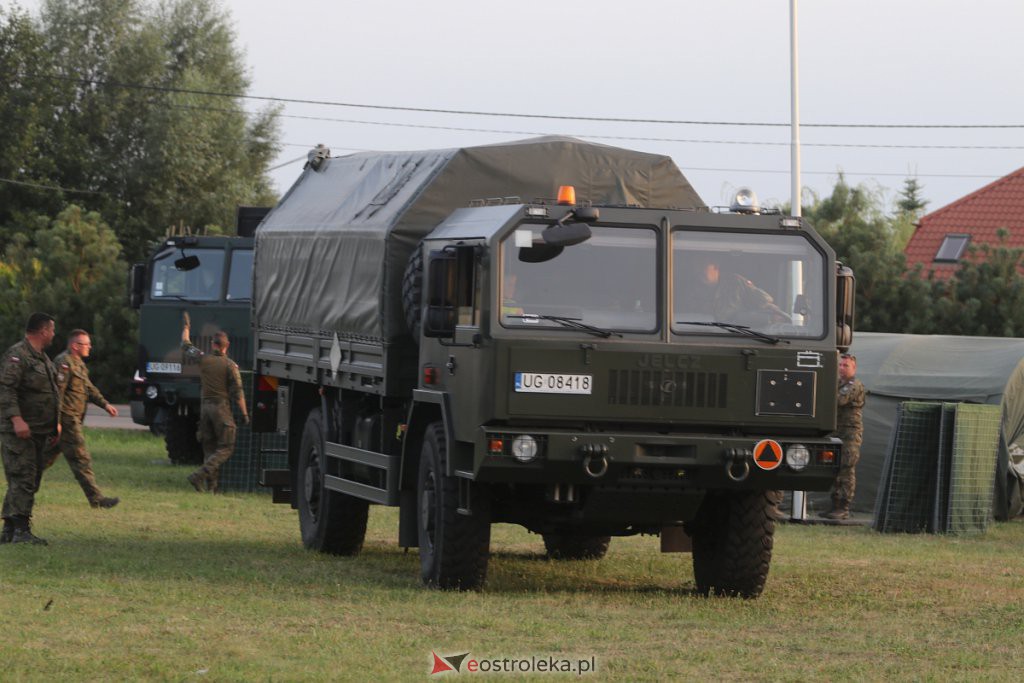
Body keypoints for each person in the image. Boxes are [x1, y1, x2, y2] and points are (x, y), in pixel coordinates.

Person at [0, 313, 60, 545]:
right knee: (23, 477)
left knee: (26, 478)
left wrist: (54, 425)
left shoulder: (42, 358)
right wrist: (17, 419)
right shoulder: (18, 355)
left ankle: (9, 529)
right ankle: (22, 531)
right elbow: (6, 389)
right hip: (19, 430)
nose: (54, 334)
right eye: (52, 330)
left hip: (38, 431)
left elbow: (50, 393)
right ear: (43, 331)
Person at [46, 330, 120, 509]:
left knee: (42, 459)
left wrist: (105, 405)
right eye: (86, 344)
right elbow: (57, 395)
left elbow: (88, 388)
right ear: (75, 346)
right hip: (67, 420)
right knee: (81, 459)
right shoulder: (64, 363)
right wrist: (56, 423)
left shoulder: (78, 363)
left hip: (73, 420)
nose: (90, 347)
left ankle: (21, 487)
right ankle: (97, 500)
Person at [181, 314, 248, 493]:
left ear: (213, 344)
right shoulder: (230, 365)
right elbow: (238, 392)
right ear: (227, 346)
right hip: (221, 409)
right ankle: (199, 476)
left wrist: (187, 327)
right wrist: (245, 414)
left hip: (205, 410)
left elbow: (185, 345)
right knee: (226, 447)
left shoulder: (203, 359)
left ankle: (212, 487)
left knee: (209, 449)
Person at [822, 353, 866, 520]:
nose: (842, 368)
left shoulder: (854, 385)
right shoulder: (838, 384)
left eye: (846, 366)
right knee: (835, 469)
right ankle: (834, 505)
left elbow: (840, 400)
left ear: (854, 368)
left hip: (850, 435)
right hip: (837, 432)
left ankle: (843, 507)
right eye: (840, 365)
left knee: (846, 469)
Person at [698, 260, 789, 324]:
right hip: (701, 335)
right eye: (694, 265)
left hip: (738, 335)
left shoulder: (735, 282)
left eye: (701, 264)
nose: (697, 269)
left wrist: (773, 318)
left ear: (716, 266)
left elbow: (764, 303)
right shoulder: (688, 287)